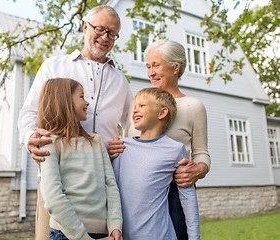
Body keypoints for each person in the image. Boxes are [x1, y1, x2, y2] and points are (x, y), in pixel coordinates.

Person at [17, 6, 132, 240]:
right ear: (85, 27)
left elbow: (133, 127)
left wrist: (124, 147)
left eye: (112, 34)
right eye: (100, 29)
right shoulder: (54, 66)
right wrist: (31, 138)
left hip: (102, 187)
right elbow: (29, 112)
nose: (105, 38)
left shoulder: (120, 80)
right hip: (57, 179)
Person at [108, 39, 210, 240]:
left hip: (174, 192)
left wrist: (198, 170)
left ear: (175, 67)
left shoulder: (192, 106)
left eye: (156, 65)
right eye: (148, 66)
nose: (150, 72)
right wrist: (115, 148)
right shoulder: (139, 106)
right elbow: (129, 141)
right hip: (134, 195)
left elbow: (201, 153)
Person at [38, 78, 122, 240]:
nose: (87, 102)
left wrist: (115, 226)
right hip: (66, 234)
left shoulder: (95, 141)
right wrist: (83, 238)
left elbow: (110, 186)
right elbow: (53, 197)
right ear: (64, 101)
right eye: (81, 96)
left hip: (105, 234)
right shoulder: (49, 144)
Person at [112, 87, 200, 240]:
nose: (135, 110)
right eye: (134, 106)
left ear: (162, 113)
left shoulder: (175, 149)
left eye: (142, 105)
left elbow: (188, 198)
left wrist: (194, 237)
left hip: (160, 235)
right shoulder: (120, 147)